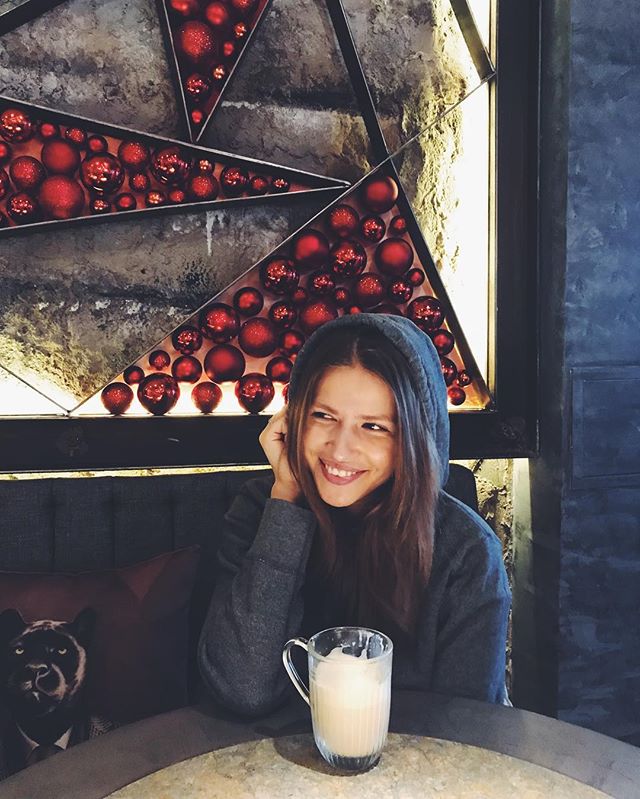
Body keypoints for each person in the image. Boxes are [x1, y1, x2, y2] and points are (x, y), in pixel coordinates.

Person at [198, 313, 511, 716]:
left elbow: (468, 729)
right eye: (323, 416)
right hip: (269, 755)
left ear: (414, 439)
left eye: (374, 427)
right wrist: (287, 501)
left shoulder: (466, 551)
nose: (341, 450)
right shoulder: (262, 508)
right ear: (292, 419)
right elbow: (242, 689)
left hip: (419, 756)